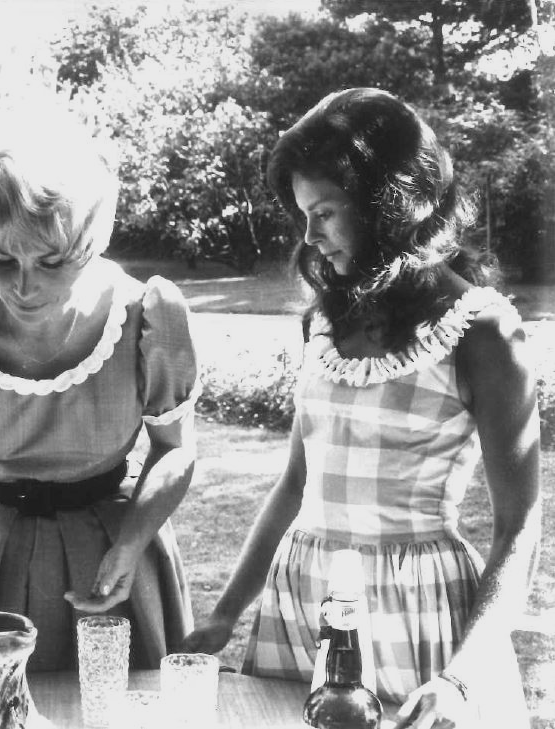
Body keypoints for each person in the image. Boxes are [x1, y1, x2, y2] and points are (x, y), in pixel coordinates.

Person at [182, 88, 541, 729]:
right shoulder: (326, 321)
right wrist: (224, 613)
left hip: (419, 618)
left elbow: (519, 530)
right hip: (303, 602)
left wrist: (462, 677)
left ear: (389, 205)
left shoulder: (485, 335)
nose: (312, 239)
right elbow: (296, 484)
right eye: (303, 215)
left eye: (325, 212)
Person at [0, 109, 198, 694]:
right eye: (1, 259)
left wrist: (132, 542)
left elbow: (174, 451)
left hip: (112, 555)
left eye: (52, 262)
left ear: (93, 241)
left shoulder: (149, 314)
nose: (24, 285)